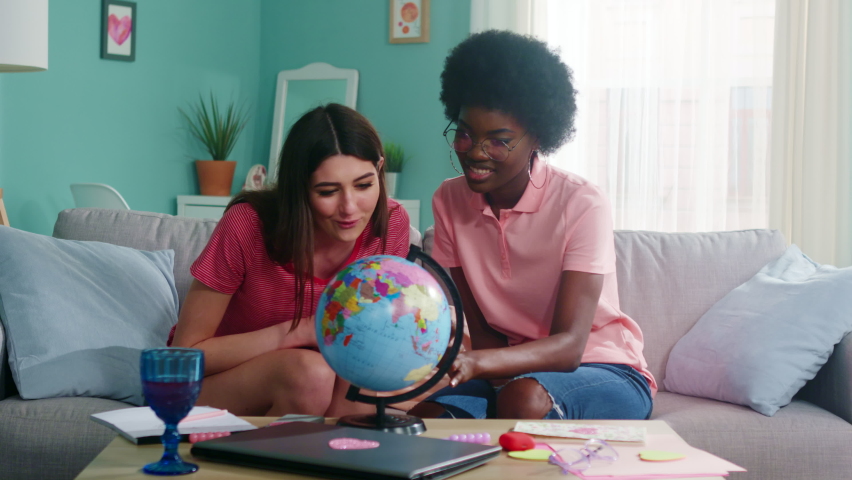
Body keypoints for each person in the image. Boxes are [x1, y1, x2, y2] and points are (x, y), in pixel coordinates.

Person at [408, 30, 656, 420]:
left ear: (537, 137)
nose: (475, 152)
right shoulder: (449, 200)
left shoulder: (580, 202)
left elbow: (570, 347)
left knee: (522, 400)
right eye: (466, 133)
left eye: (499, 140)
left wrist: (479, 365)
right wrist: (483, 369)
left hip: (603, 370)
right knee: (426, 422)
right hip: (510, 373)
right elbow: (483, 330)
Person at [170, 103, 410, 417]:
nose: (350, 208)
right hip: (206, 384)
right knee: (310, 375)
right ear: (299, 187)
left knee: (365, 377)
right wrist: (301, 331)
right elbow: (183, 357)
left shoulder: (390, 224)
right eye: (327, 191)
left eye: (364, 185)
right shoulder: (248, 224)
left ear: (379, 169)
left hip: (324, 383)